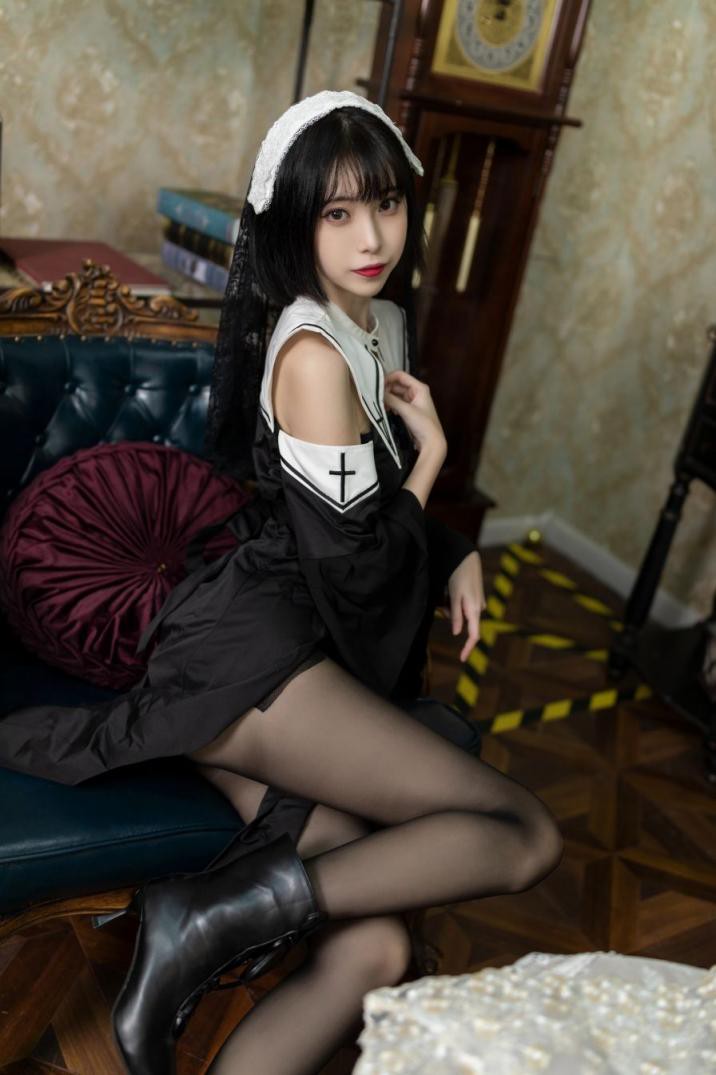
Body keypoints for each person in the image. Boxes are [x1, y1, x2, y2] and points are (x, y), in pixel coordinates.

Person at [1, 91, 563, 1074]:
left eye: (385, 203)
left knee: (375, 948)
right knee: (522, 831)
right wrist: (433, 458)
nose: (370, 236)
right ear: (294, 225)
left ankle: (205, 919)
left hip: (291, 642)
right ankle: (203, 917)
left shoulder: (379, 321)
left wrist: (449, 546)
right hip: (245, 663)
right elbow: (355, 565)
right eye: (336, 213)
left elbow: (361, 516)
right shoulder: (310, 353)